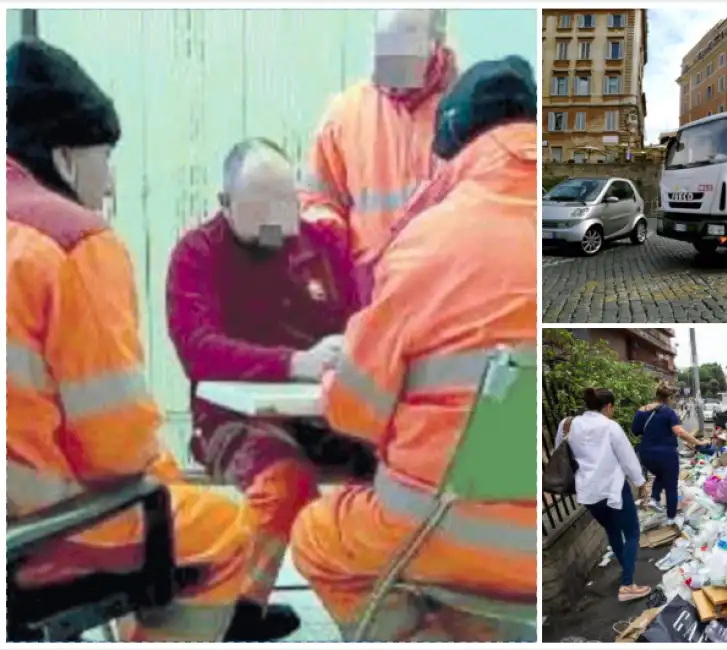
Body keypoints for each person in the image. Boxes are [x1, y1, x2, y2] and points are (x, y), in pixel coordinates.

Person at [6, 39, 252, 641]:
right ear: (66, 158)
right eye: (105, 156)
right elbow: (117, 450)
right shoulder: (71, 243)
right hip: (40, 530)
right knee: (227, 524)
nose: (111, 180)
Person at [289, 55, 538, 641]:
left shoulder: (428, 239)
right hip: (530, 551)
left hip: (439, 531)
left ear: (451, 140)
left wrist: (338, 369)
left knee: (317, 539)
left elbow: (355, 412)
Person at [165, 137, 374, 639]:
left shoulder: (325, 246)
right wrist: (293, 363)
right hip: (233, 418)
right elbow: (198, 347)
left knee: (398, 469)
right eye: (259, 205)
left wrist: (354, 346)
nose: (276, 217)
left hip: (328, 414)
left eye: (285, 201)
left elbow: (366, 319)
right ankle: (238, 611)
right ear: (224, 205)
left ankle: (379, 606)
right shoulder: (197, 255)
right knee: (284, 483)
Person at [297, 8, 457, 302]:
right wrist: (330, 253)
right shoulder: (344, 115)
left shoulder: (467, 110)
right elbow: (317, 201)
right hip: (369, 297)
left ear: (436, 44)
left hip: (446, 294)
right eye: (384, 45)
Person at [558, 388, 651, 603]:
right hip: (613, 489)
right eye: (613, 408)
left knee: (612, 530)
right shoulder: (610, 427)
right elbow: (627, 458)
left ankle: (625, 569)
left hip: (589, 493)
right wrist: (641, 483)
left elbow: (559, 450)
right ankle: (627, 585)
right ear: (608, 406)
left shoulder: (570, 425)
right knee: (632, 533)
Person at [633, 385, 707, 526]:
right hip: (666, 455)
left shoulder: (640, 411)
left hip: (646, 454)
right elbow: (679, 432)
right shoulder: (668, 412)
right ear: (669, 398)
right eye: (674, 399)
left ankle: (654, 499)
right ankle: (671, 518)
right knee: (671, 486)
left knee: (660, 475)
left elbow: (635, 430)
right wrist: (698, 442)